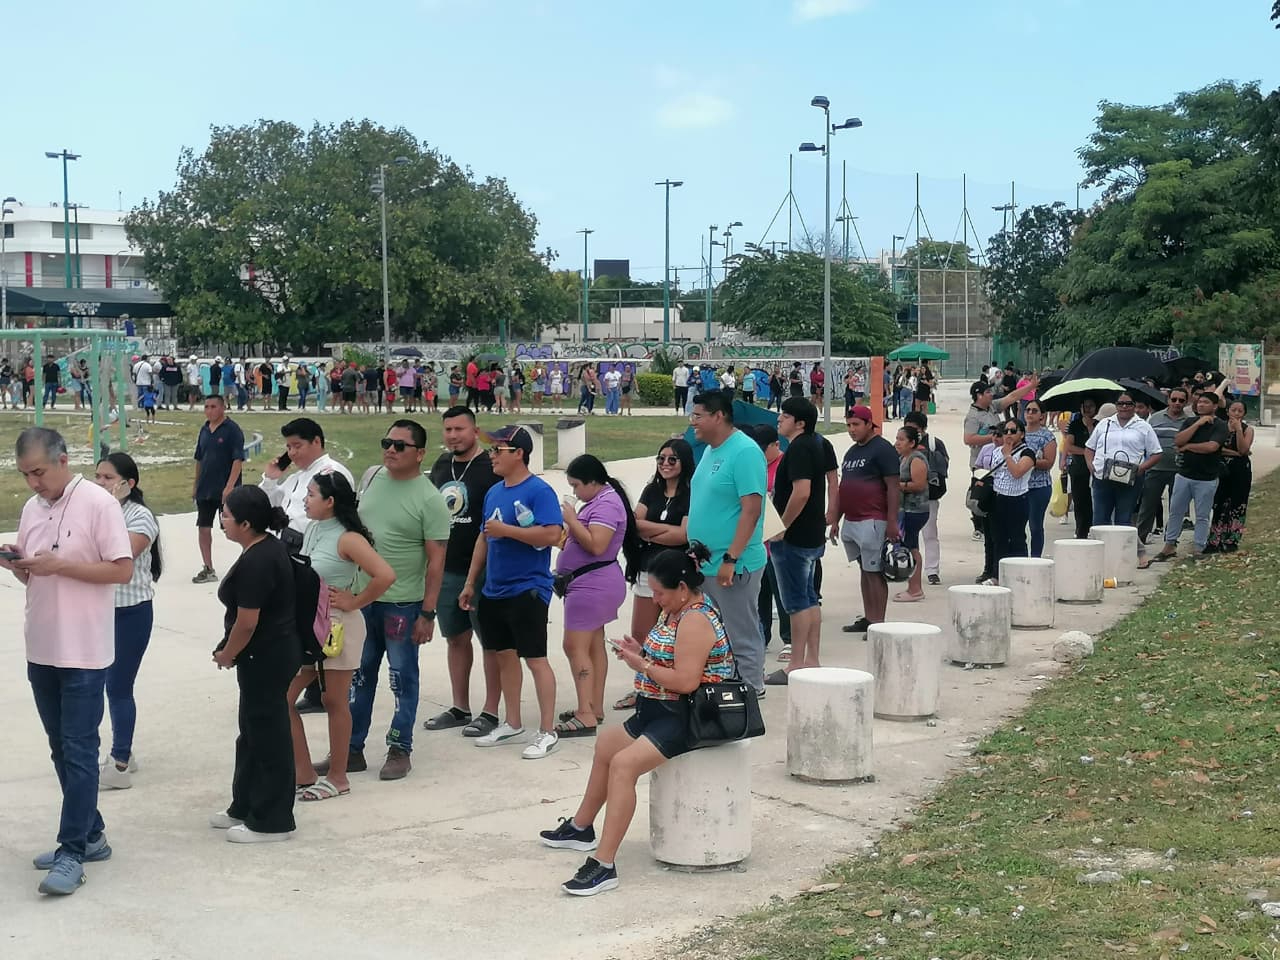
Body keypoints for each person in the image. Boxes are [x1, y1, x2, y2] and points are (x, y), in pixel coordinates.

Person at [538, 543, 732, 897]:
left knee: (624, 765)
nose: (654, 599)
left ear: (682, 588)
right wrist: (639, 652)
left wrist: (641, 664)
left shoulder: (695, 619)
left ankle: (604, 864)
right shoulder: (674, 610)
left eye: (659, 593)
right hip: (656, 709)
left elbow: (686, 682)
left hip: (688, 716)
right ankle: (581, 827)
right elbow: (666, 660)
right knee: (606, 744)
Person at [3, 428, 133, 895]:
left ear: (63, 460)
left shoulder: (98, 504)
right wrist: (19, 566)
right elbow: (36, 576)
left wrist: (60, 566)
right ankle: (91, 834)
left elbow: (122, 569)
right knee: (60, 748)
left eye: (38, 472)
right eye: (25, 475)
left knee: (79, 750)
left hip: (84, 650)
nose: (33, 483)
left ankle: (72, 850)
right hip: (42, 646)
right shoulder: (32, 509)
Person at [344, 420, 450, 779]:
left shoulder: (430, 500)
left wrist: (428, 613)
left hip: (402, 605)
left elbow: (436, 563)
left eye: (400, 445)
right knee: (359, 676)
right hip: (363, 600)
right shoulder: (373, 479)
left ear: (420, 454)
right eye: (386, 442)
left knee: (402, 678)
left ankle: (400, 748)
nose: (390, 449)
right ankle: (350, 749)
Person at [289, 473, 396, 800]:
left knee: (334, 701)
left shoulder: (348, 538)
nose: (305, 499)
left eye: (311, 494)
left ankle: (338, 777)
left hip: (337, 627)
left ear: (330, 501)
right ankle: (304, 772)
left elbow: (385, 575)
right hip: (308, 627)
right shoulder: (313, 529)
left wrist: (355, 601)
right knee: (282, 697)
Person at [459, 425, 563, 759]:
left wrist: (508, 530)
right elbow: (484, 538)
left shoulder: (539, 491)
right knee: (504, 656)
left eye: (498, 450)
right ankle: (512, 722)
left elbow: (552, 535)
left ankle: (547, 730)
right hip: (494, 589)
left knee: (535, 659)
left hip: (528, 588)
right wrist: (471, 582)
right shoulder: (494, 492)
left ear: (519, 453)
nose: (491, 456)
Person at [209, 487, 298, 843]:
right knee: (251, 733)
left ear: (246, 523)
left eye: (227, 516)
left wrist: (227, 653)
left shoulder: (259, 560)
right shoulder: (263, 548)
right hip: (262, 655)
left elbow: (247, 622)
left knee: (269, 736)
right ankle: (245, 804)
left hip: (267, 656)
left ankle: (273, 821)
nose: (222, 521)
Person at [423, 406, 503, 737]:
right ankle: (460, 707)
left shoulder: (491, 467)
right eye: (448, 430)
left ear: (475, 431)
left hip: (484, 570)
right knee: (455, 637)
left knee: (491, 642)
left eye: (459, 429)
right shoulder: (442, 465)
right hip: (447, 568)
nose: (453, 436)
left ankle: (490, 711)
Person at [686, 391, 768, 693]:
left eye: (698, 416)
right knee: (716, 633)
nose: (693, 422)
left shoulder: (744, 452)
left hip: (733, 563)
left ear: (718, 416)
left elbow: (751, 510)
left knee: (740, 631)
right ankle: (728, 690)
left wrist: (731, 558)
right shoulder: (710, 450)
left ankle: (751, 690)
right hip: (705, 563)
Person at [92, 454, 162, 791]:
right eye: (97, 476)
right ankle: (125, 748)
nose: (100, 483)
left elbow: (119, 556)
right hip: (100, 611)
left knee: (119, 686)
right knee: (101, 684)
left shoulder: (140, 516)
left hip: (131, 611)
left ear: (128, 483)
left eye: (108, 478)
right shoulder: (97, 511)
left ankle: (119, 761)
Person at [555, 455, 638, 735]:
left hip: (591, 585)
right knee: (592, 646)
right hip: (590, 583)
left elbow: (597, 545)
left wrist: (571, 519)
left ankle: (585, 714)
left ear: (592, 481)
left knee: (574, 646)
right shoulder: (600, 501)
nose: (575, 492)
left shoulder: (607, 505)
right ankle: (593, 706)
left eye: (576, 485)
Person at [618, 439, 693, 712]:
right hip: (647, 569)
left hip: (675, 573)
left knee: (672, 632)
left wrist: (649, 530)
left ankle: (667, 684)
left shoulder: (690, 493)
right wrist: (663, 531)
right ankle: (643, 686)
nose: (665, 464)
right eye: (661, 458)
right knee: (642, 632)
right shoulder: (652, 490)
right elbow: (634, 525)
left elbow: (682, 536)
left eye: (672, 459)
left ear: (684, 462)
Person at [762, 397, 827, 684]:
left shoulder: (799, 448)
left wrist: (782, 526)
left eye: (785, 416)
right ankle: (811, 659)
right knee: (809, 598)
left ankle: (796, 664)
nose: (779, 419)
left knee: (797, 602)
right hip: (811, 533)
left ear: (800, 422)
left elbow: (802, 491)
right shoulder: (815, 444)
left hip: (795, 537)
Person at [833, 405, 900, 634]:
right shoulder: (852, 452)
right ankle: (869, 617)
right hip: (851, 519)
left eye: (856, 425)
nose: (852, 429)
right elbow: (844, 486)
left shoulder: (883, 449)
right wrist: (836, 518)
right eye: (848, 425)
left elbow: (893, 487)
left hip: (873, 519)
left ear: (869, 424)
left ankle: (878, 623)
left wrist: (892, 521)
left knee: (875, 571)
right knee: (864, 569)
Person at [1145, 392, 1230, 564]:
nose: (1201, 405)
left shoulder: (1220, 425)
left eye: (1206, 402)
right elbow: (1178, 440)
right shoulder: (1190, 421)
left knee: (1202, 515)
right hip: (1184, 475)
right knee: (1175, 511)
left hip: (1206, 478)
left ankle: (1199, 548)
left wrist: (1188, 446)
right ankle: (1169, 545)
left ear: (1214, 406)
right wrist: (1198, 424)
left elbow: (1211, 447)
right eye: (1199, 402)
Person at [260, 418, 355, 555]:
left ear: (316, 441)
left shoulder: (333, 473)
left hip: (309, 548)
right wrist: (270, 479)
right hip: (282, 543)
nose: (292, 453)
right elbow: (264, 503)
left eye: (297, 446)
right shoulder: (295, 478)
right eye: (289, 447)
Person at [964, 376, 1036, 541]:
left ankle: (991, 526)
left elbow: (1012, 397)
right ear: (979, 395)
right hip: (983, 462)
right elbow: (968, 439)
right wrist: (995, 438)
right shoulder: (973, 417)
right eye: (988, 392)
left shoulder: (991, 407)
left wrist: (1030, 387)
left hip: (1000, 458)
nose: (991, 394)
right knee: (982, 494)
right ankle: (979, 527)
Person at [1085, 391, 1161, 527]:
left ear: (1134, 405)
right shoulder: (1104, 424)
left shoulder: (1144, 426)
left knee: (1123, 520)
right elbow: (1089, 448)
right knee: (1100, 520)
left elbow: (1157, 453)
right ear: (1116, 405)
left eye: (1128, 404)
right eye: (1120, 404)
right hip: (1102, 477)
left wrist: (1142, 468)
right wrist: (1091, 465)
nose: (1124, 407)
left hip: (1130, 478)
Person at [191, 395, 245, 584]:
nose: (209, 410)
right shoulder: (204, 429)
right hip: (205, 488)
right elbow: (199, 458)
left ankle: (248, 564)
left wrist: (230, 487)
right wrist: (196, 485)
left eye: (213, 406)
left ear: (223, 408)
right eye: (206, 407)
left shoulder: (232, 430)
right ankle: (208, 568)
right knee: (203, 527)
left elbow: (237, 460)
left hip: (225, 489)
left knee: (234, 529)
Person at [752, 425, 791, 660]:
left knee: (782, 592)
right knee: (760, 593)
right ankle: (762, 636)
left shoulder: (785, 465)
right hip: (758, 541)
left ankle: (789, 638)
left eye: (762, 449)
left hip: (779, 537)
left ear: (776, 445)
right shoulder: (754, 466)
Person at [1136, 388, 1189, 553]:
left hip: (1179, 470)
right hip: (1155, 469)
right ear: (1168, 400)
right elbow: (1145, 442)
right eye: (1174, 399)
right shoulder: (1155, 418)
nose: (1177, 403)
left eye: (1181, 400)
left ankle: (1171, 542)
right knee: (1147, 506)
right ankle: (1139, 541)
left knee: (1176, 508)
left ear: (1186, 402)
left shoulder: (1189, 421)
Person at [985, 418, 1037, 584]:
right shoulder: (996, 451)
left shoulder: (1027, 453)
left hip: (1017, 499)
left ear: (1021, 434)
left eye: (1013, 431)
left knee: (1017, 538)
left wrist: (1008, 455)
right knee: (998, 539)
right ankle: (997, 575)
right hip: (998, 497)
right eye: (1005, 431)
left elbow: (1017, 472)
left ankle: (1020, 574)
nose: (1008, 434)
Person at [903, 410, 948, 586]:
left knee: (930, 534)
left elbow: (943, 467)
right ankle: (905, 567)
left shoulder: (934, 444)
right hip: (905, 498)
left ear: (923, 429)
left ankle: (932, 570)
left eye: (914, 428)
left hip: (928, 497)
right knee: (904, 535)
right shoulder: (901, 443)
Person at [1204, 399, 1253, 554]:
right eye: (1233, 410)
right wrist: (1235, 453)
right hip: (1221, 469)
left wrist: (1238, 430)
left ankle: (1232, 539)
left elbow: (1243, 449)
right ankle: (1214, 539)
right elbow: (1216, 448)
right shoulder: (1220, 427)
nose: (1236, 413)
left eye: (1240, 411)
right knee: (1219, 503)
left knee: (1238, 504)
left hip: (1241, 471)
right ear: (1227, 411)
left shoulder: (1247, 429)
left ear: (1244, 414)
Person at [892, 424, 930, 601]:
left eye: (901, 439)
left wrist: (897, 485)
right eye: (897, 439)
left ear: (912, 442)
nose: (897, 442)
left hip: (915, 510)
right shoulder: (903, 458)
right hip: (905, 509)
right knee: (908, 545)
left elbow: (919, 484)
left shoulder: (916, 459)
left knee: (912, 547)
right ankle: (912, 587)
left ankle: (915, 589)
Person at [1022, 402, 1058, 558]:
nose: (1030, 413)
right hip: (1018, 486)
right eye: (1028, 410)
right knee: (1017, 525)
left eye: (1034, 411)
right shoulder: (1018, 432)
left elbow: (1049, 462)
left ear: (1042, 415)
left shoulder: (1047, 436)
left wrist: (1029, 462)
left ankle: (1036, 558)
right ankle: (1021, 556)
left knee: (1035, 526)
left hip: (1039, 487)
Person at [1063, 398, 1098, 538]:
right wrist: (1086, 452)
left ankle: (1092, 528)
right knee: (1079, 501)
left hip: (1095, 468)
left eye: (1091, 406)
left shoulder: (1100, 424)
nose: (1088, 409)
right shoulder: (1075, 424)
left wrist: (1090, 428)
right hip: (1078, 468)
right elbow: (1069, 446)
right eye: (1085, 406)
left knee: (1093, 501)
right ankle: (1080, 530)